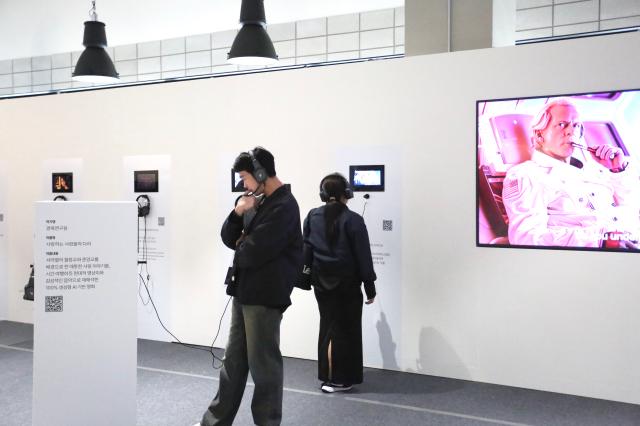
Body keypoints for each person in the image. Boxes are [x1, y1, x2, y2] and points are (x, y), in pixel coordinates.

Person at [196, 147, 302, 426]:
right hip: (244, 292)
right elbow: (228, 238)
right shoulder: (258, 202)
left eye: (245, 177)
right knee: (233, 363)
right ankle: (214, 422)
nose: (243, 184)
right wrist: (237, 212)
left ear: (260, 173)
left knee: (264, 367)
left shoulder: (284, 206)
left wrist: (243, 242)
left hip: (265, 297)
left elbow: (253, 251)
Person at [502, 98, 640, 249]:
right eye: (562, 124)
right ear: (539, 135)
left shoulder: (595, 169)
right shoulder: (525, 175)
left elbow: (632, 209)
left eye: (576, 125)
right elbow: (526, 237)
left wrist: (617, 170)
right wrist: (600, 240)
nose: (571, 131)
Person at [301, 173, 377, 393]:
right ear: (347, 193)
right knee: (347, 330)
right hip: (347, 285)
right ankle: (341, 379)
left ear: (323, 194)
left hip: (321, 284)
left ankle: (329, 375)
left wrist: (305, 279)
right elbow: (363, 257)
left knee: (328, 327)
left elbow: (307, 250)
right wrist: (370, 288)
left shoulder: (312, 216)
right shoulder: (353, 220)